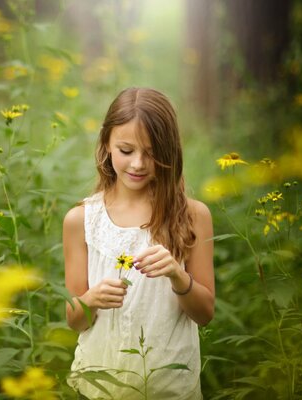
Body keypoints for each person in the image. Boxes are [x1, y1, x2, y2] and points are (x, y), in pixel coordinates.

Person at [64, 87, 215, 399]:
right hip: (101, 387)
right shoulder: (81, 220)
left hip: (170, 389)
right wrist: (90, 299)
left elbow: (205, 314)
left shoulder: (192, 216)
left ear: (169, 151)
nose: (138, 164)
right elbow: (75, 320)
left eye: (151, 152)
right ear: (106, 143)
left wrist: (177, 275)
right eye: (126, 150)